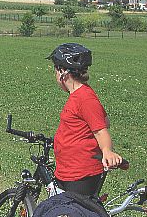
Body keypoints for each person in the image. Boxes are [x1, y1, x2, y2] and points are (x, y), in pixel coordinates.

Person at [48, 43, 123, 197]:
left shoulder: (85, 98)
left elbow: (101, 130)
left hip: (80, 174)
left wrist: (107, 151)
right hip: (69, 171)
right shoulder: (79, 95)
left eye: (55, 69)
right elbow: (104, 120)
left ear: (62, 72)